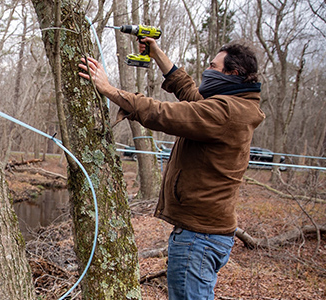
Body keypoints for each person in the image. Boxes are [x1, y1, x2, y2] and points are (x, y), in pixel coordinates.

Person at [78, 38, 265, 300]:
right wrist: (157, 54)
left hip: (199, 239)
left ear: (232, 73)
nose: (207, 71)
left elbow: (163, 113)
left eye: (213, 66)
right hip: (207, 235)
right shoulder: (237, 105)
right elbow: (190, 92)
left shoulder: (226, 112)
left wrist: (109, 90)